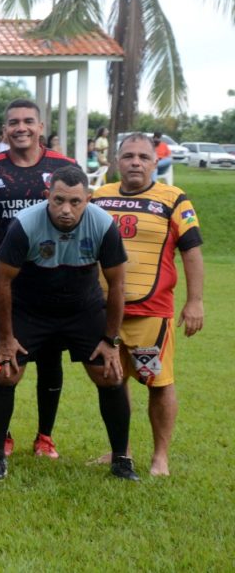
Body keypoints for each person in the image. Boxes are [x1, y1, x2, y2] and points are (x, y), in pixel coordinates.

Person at [0, 165, 137, 482]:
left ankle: (122, 459)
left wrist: (111, 341)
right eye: (59, 200)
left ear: (87, 200)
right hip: (31, 308)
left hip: (82, 309)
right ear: (47, 196)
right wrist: (6, 339)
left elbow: (117, 285)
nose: (66, 209)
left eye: (75, 202)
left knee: (110, 374)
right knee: (5, 373)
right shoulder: (24, 224)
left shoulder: (103, 225)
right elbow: (1, 282)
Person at [92, 133, 204, 476]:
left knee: (158, 382)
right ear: (117, 161)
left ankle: (160, 457)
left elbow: (192, 251)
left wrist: (195, 301)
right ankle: (121, 451)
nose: (135, 162)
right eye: (128, 156)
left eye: (143, 157)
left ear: (156, 162)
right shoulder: (99, 196)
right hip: (104, 312)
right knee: (113, 381)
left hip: (151, 313)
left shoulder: (174, 199)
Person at [0, 99, 74, 459]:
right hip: (0, 278)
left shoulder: (63, 167)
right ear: (4, 130)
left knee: (50, 358)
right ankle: (1, 434)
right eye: (14, 122)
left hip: (49, 280)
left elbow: (80, 214)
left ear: (40, 127)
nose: (21, 128)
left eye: (28, 121)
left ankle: (44, 436)